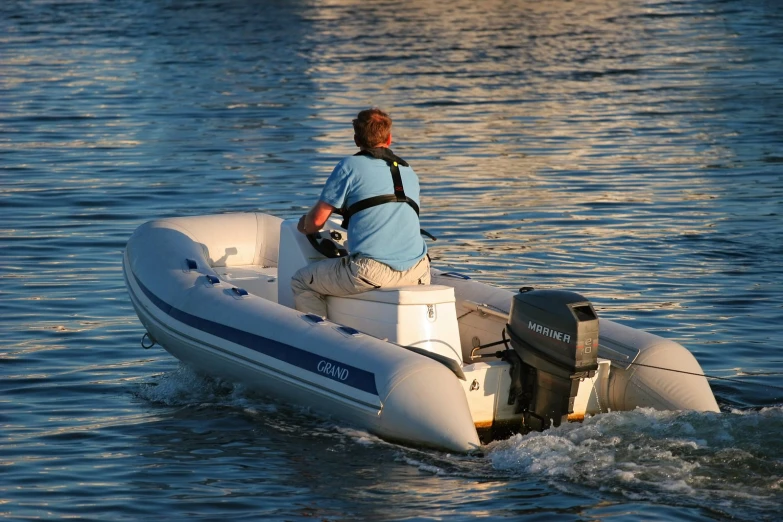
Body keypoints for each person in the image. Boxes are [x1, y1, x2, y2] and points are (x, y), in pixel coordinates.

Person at [291, 108, 430, 316]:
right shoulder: (408, 170)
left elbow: (317, 222)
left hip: (372, 273)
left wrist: (304, 224)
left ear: (357, 140)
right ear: (389, 138)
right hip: (419, 270)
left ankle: (321, 340)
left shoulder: (350, 166)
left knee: (301, 280)